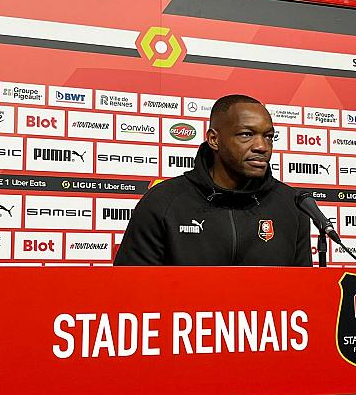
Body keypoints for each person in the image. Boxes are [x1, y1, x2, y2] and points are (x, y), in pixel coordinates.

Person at [113, 94, 312, 266]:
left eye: (268, 136)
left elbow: (303, 293)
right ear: (214, 140)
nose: (262, 146)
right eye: (246, 135)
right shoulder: (162, 202)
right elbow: (130, 292)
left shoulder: (293, 205)